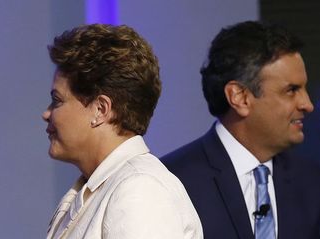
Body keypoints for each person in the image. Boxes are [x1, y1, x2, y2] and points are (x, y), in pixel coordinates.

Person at [162, 21, 320, 239]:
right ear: (240, 97)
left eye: (304, 89)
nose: (307, 104)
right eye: (291, 90)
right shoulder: (173, 181)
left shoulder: (309, 181)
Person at [42, 24, 203, 239]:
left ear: (100, 110)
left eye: (57, 100)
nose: (46, 113)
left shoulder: (141, 189)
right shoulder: (101, 187)